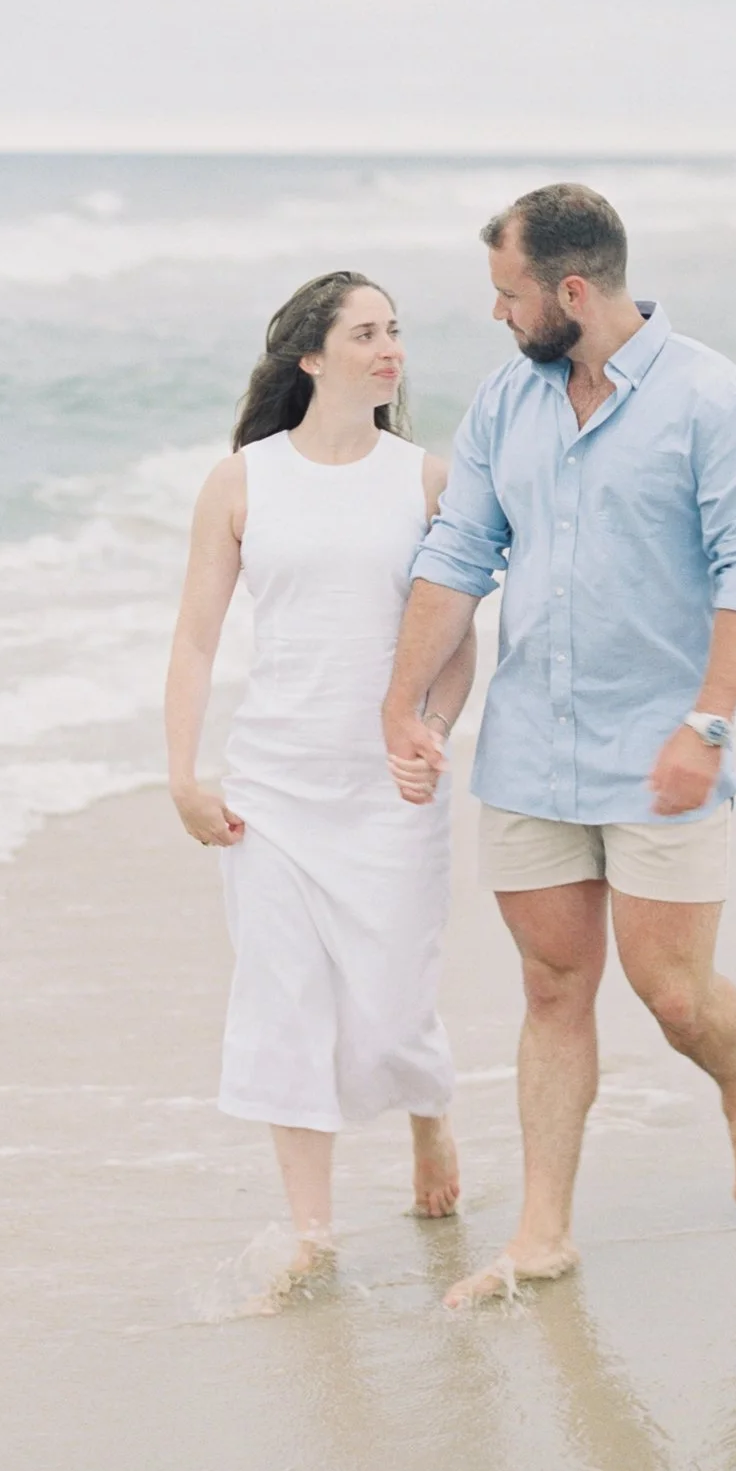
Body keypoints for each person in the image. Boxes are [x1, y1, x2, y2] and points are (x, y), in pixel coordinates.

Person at [382, 185, 736, 1308]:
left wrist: (707, 721)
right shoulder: (505, 405)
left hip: (665, 748)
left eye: (508, 295)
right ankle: (542, 1234)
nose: (499, 317)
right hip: (530, 753)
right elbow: (459, 551)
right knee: (555, 984)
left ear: (571, 291)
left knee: (673, 994)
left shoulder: (721, 402)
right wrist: (405, 703)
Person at [166, 270, 473, 1284]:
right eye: (366, 334)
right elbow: (197, 640)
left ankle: (430, 1112)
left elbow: (457, 638)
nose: (390, 350)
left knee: (389, 1002)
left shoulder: (425, 478)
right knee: (285, 1000)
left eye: (395, 332)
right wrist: (184, 774)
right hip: (274, 785)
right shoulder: (242, 480)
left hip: (389, 785)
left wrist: (429, 730)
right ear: (311, 357)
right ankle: (310, 1230)